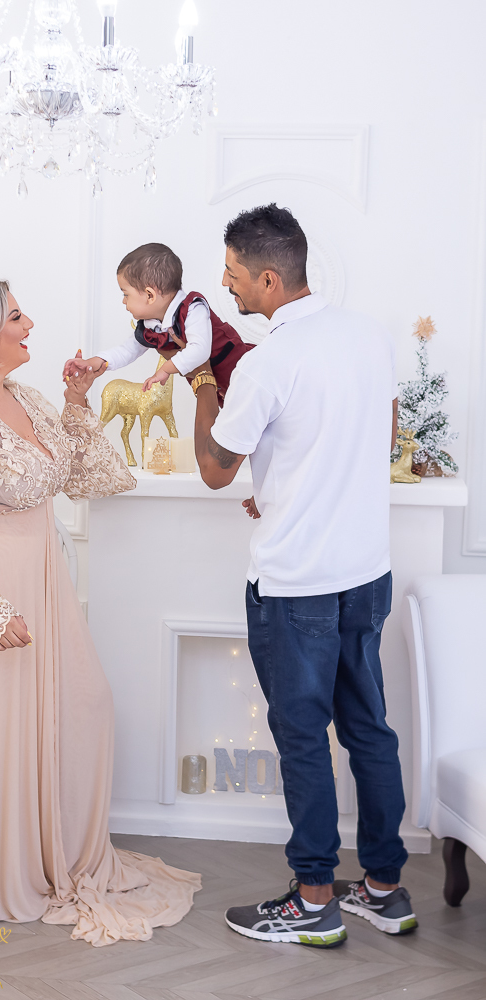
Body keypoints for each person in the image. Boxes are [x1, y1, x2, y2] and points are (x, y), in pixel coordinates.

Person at [0, 275, 201, 945]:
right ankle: (1, 868)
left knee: (84, 706)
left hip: (45, 585)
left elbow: (79, 474)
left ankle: (53, 852)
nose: (29, 321)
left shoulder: (24, 398)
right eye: (15, 315)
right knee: (5, 731)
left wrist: (74, 399)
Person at [188, 204, 416, 948]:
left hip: (296, 589)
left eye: (231, 278)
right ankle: (382, 888)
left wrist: (198, 385)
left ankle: (314, 898)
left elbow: (216, 471)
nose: (225, 292)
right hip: (365, 575)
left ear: (267, 276)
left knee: (301, 739)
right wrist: (283, 479)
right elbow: (373, 439)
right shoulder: (365, 334)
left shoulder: (265, 362)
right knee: (368, 730)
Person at [62, 243, 254, 404]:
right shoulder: (151, 326)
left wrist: (165, 370)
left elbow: (200, 350)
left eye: (125, 294)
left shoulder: (193, 308)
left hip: (246, 373)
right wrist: (91, 363)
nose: (123, 301)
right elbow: (126, 351)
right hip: (223, 390)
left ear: (150, 295)